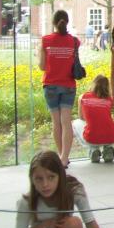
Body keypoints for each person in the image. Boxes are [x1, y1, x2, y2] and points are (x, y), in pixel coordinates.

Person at [15, 150, 114, 228]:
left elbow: (90, 222)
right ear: (32, 179)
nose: (45, 184)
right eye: (39, 179)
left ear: (60, 176)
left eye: (51, 177)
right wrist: (45, 225)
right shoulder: (26, 201)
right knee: (74, 224)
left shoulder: (74, 189)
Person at [40, 10, 80, 167]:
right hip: (68, 85)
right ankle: (64, 157)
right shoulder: (75, 41)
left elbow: (42, 66)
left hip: (50, 84)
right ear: (67, 22)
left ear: (54, 23)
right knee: (66, 121)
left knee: (56, 122)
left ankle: (62, 156)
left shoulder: (46, 40)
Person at [72, 75, 114, 162]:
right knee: (108, 123)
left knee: (76, 122)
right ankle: (108, 148)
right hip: (111, 136)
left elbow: (81, 117)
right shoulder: (109, 99)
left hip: (91, 137)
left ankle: (93, 149)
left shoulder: (83, 97)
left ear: (93, 84)